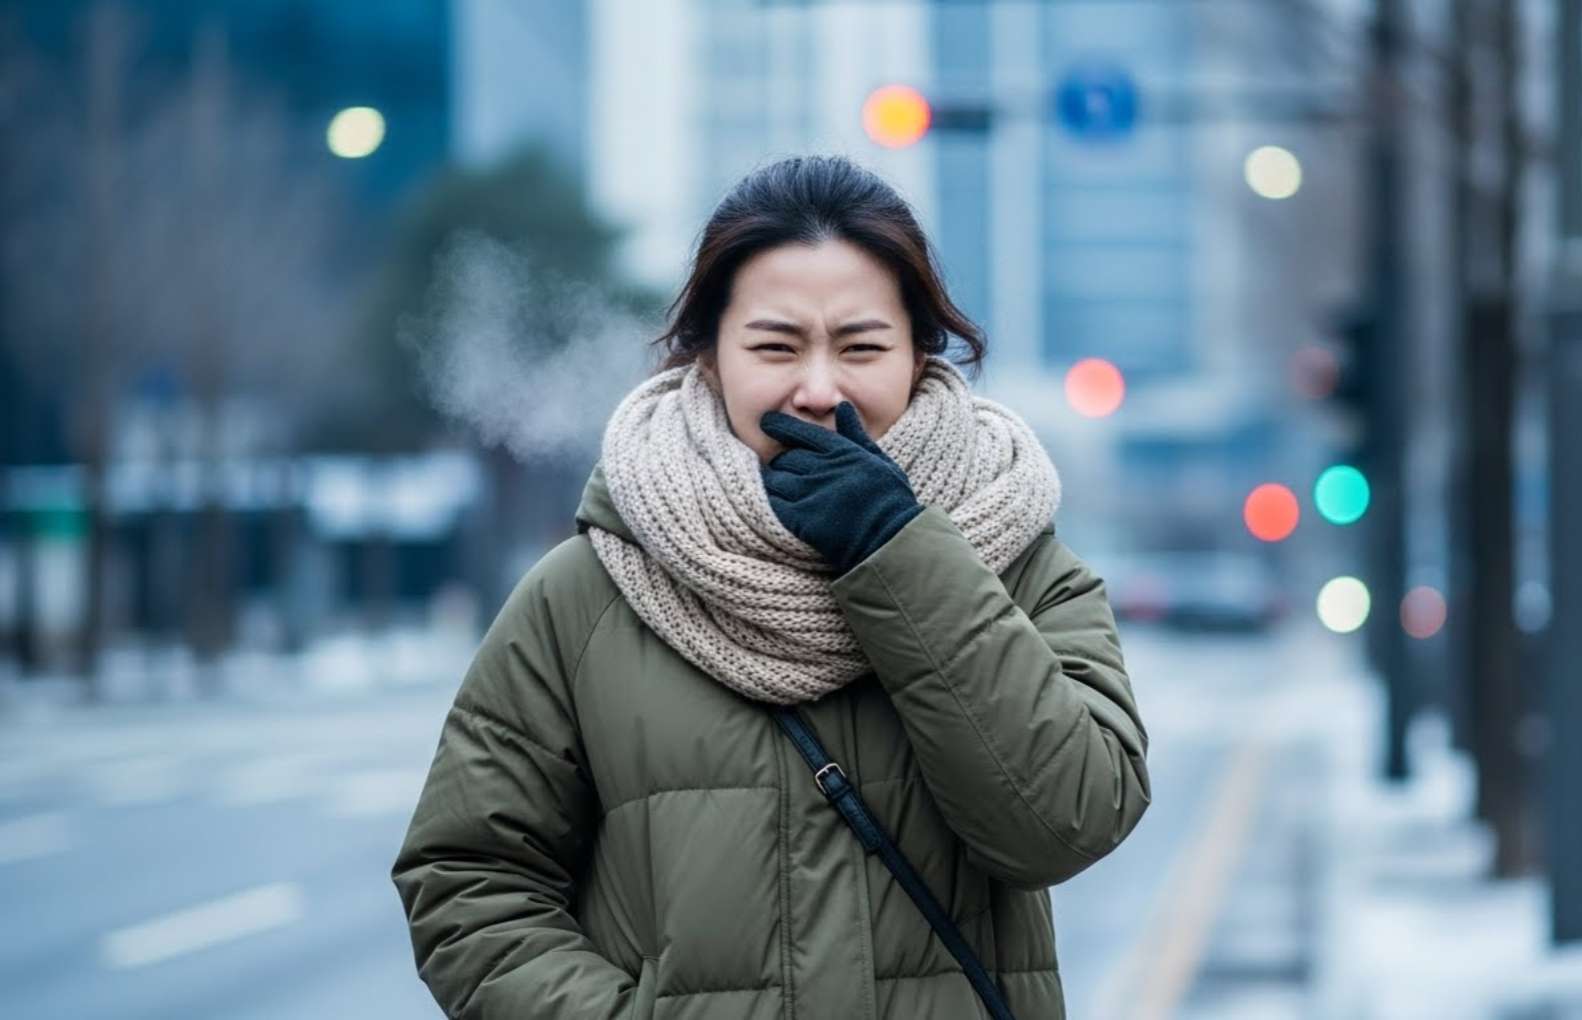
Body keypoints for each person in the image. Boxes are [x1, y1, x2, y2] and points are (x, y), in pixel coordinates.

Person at [392, 154, 1151, 1020]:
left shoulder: (1018, 560)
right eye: (775, 347)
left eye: (862, 347)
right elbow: (468, 881)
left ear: (918, 356)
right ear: (709, 356)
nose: (819, 390)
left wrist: (897, 548)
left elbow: (1065, 822)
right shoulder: (588, 592)